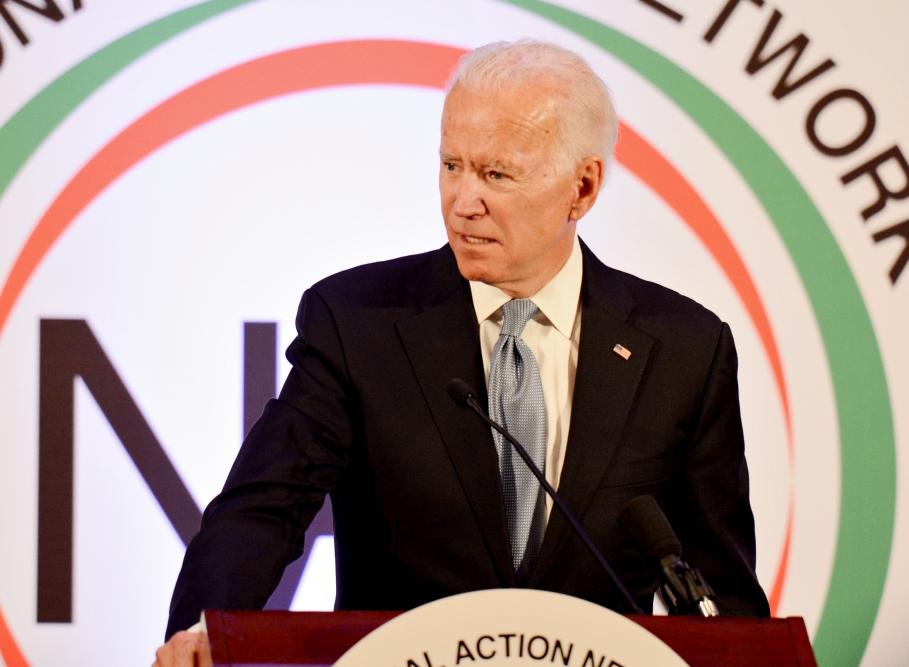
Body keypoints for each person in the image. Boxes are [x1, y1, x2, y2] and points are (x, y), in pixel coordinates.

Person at [153, 39, 769, 667]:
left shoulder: (684, 350)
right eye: (452, 166)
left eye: (497, 174)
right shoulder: (358, 323)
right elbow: (264, 508)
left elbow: (718, 588)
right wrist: (205, 630)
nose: (462, 201)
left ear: (582, 188)